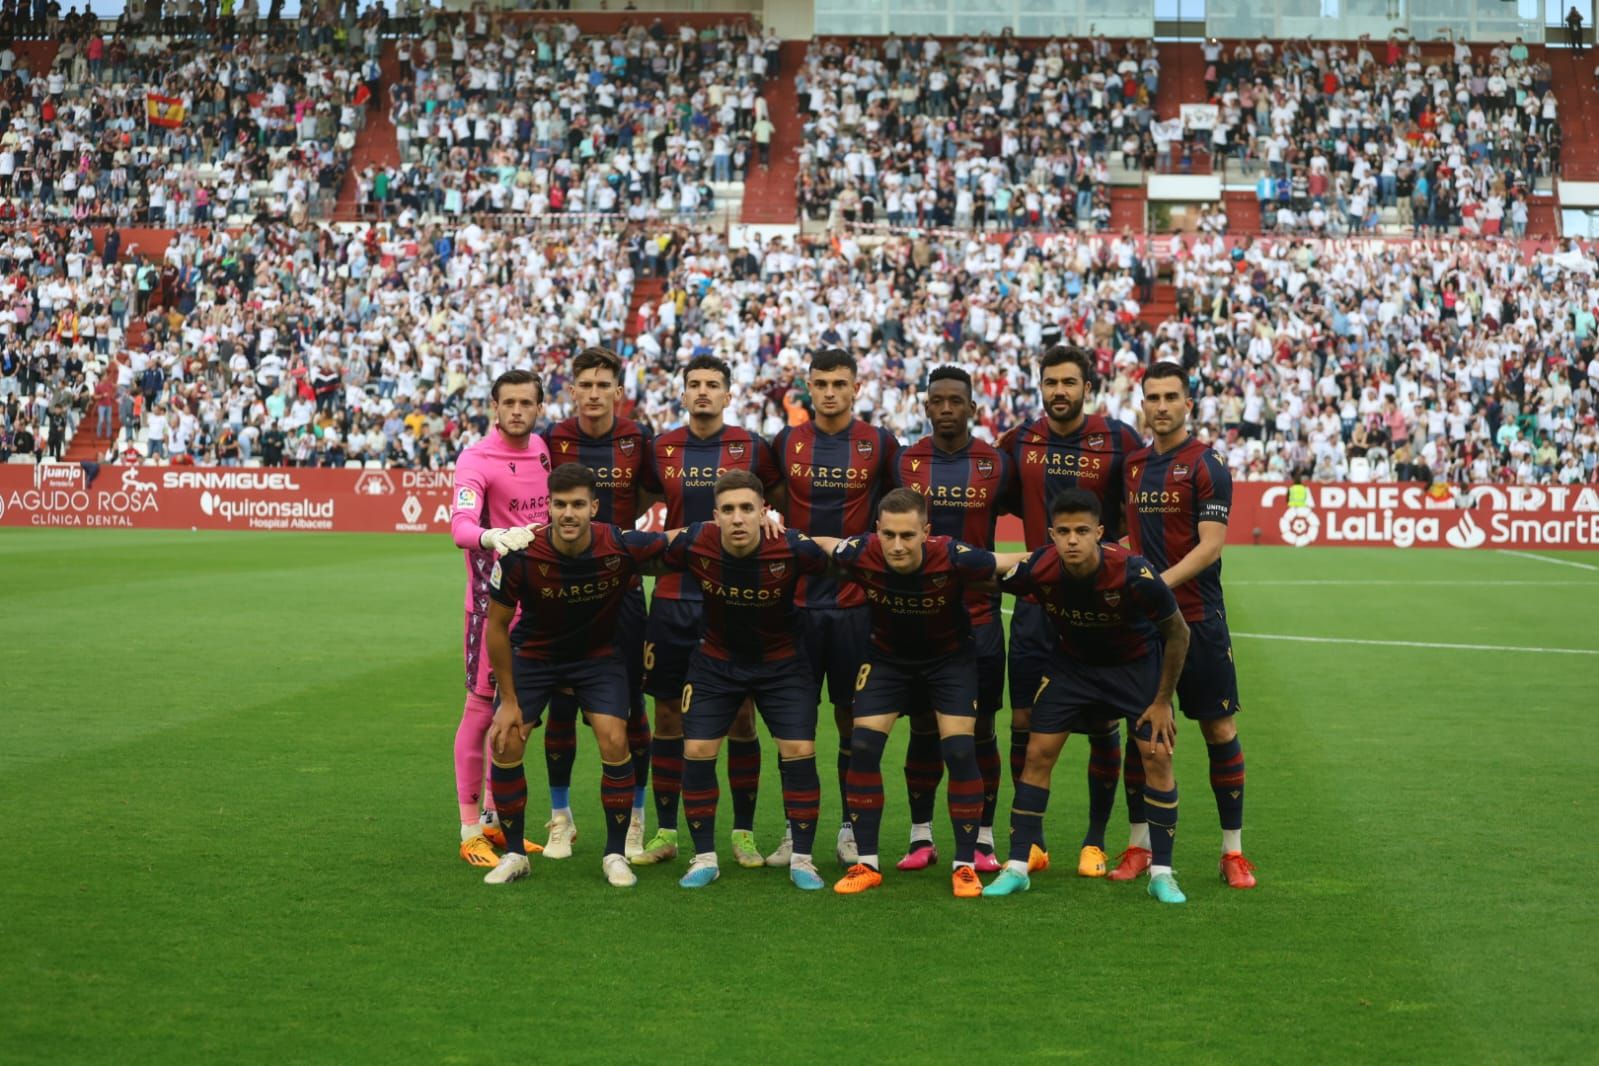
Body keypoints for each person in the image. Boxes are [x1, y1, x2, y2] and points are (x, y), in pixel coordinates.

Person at [984, 489, 1192, 904]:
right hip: (1072, 668)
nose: (1073, 540)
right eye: (1063, 532)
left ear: (1100, 533)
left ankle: (1163, 873)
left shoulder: (1134, 573)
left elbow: (1178, 633)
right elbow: (985, 578)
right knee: (1038, 754)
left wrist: (1163, 701)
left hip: (1132, 669)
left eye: (1082, 531)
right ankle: (1019, 866)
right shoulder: (1040, 568)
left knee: (1157, 756)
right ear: (1051, 535)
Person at [824, 490, 1030, 898]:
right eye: (888, 535)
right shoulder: (861, 552)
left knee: (958, 750)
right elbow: (823, 545)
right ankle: (866, 863)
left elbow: (1010, 560)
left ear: (926, 533)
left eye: (907, 535)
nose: (897, 545)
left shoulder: (955, 555)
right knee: (862, 745)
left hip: (949, 661)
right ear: (876, 532)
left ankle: (965, 865)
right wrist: (769, 525)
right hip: (886, 660)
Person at [481, 463, 671, 888]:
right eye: (560, 504)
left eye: (578, 505)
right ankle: (514, 854)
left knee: (615, 738)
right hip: (534, 654)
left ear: (594, 508)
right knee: (507, 740)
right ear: (548, 506)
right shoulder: (521, 554)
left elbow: (676, 541)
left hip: (596, 656)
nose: (568, 513)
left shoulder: (618, 545)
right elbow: (495, 626)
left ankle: (615, 854)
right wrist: (509, 700)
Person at [997, 346, 1142, 876]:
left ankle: (1095, 840)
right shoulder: (1019, 442)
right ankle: (1029, 841)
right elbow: (989, 496)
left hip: (1099, 606)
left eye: (1069, 382)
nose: (1059, 391)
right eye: (1050, 382)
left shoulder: (1119, 440)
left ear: (1088, 387)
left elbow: (1138, 506)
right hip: (1038, 604)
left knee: (1103, 725)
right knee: (1023, 720)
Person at [633, 355, 782, 868]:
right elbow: (644, 498)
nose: (702, 392)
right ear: (682, 393)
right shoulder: (662, 448)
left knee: (741, 716)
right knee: (668, 714)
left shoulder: (751, 447)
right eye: (694, 384)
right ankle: (667, 831)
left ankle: (742, 833)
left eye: (712, 385)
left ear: (728, 394)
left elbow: (773, 503)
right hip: (674, 598)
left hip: (733, 597)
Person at [1114, 362, 1256, 889]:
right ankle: (1139, 847)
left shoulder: (1207, 464)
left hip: (1198, 620)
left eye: (1171, 396)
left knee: (1218, 729)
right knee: (1143, 735)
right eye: (1153, 397)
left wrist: (1155, 583)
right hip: (1144, 627)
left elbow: (1211, 544)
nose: (1162, 405)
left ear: (1188, 404)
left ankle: (1232, 852)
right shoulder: (1131, 467)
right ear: (1143, 405)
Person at [664, 470, 832, 892]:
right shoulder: (696, 541)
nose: (738, 518)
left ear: (763, 511)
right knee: (698, 748)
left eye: (747, 509)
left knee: (798, 750)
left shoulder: (791, 546)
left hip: (783, 663)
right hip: (715, 662)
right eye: (728, 510)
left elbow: (835, 552)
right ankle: (704, 857)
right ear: (715, 516)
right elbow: (639, 546)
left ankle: (804, 860)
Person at [771, 347, 900, 867]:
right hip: (796, 605)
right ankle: (793, 829)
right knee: (793, 726)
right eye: (820, 383)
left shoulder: (880, 444)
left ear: (855, 388)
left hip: (854, 606)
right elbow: (768, 499)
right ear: (809, 386)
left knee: (853, 722)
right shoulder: (786, 442)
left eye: (839, 383)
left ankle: (850, 827)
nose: (829, 392)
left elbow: (897, 510)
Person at [891, 366, 1014, 872]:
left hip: (979, 618)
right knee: (922, 727)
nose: (946, 408)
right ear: (926, 407)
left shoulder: (995, 464)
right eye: (936, 400)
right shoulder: (905, 462)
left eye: (955, 401)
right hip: (918, 617)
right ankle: (921, 837)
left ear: (972, 408)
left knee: (980, 729)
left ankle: (983, 838)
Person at [538, 347, 656, 860]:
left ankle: (634, 817)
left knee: (630, 709)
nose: (592, 393)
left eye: (602, 385)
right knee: (561, 706)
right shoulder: (553, 439)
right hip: (559, 594)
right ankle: (560, 818)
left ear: (617, 391)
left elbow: (657, 494)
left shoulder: (637, 440)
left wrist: (622, 543)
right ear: (572, 390)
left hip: (621, 594)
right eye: (583, 384)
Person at [448, 369, 552, 868]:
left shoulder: (544, 452)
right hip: (492, 611)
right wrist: (491, 536)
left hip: (543, 607)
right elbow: (461, 526)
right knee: (480, 708)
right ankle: (470, 827)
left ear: (538, 407)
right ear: (494, 406)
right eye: (507, 402)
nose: (516, 410)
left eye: (525, 402)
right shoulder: (476, 459)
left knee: (517, 715)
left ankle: (494, 818)